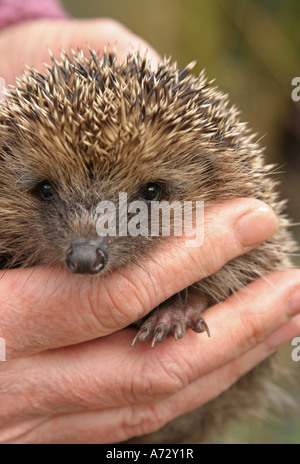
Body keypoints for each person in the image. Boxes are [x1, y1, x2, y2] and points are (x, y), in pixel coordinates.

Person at [0, 0, 299, 444]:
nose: (85, 245)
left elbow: (250, 274)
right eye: (45, 192)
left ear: (209, 175)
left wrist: (191, 298)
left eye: (149, 195)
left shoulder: (223, 194)